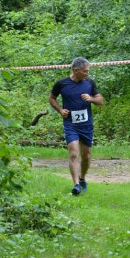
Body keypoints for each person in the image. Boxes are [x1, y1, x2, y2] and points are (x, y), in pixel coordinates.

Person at [48, 57, 103, 195]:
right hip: (70, 123)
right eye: (85, 71)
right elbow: (51, 98)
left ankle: (82, 178)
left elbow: (100, 100)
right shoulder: (62, 84)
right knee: (73, 153)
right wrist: (60, 110)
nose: (87, 74)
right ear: (76, 70)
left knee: (86, 155)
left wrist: (91, 99)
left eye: (88, 71)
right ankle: (76, 185)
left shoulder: (89, 83)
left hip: (86, 125)